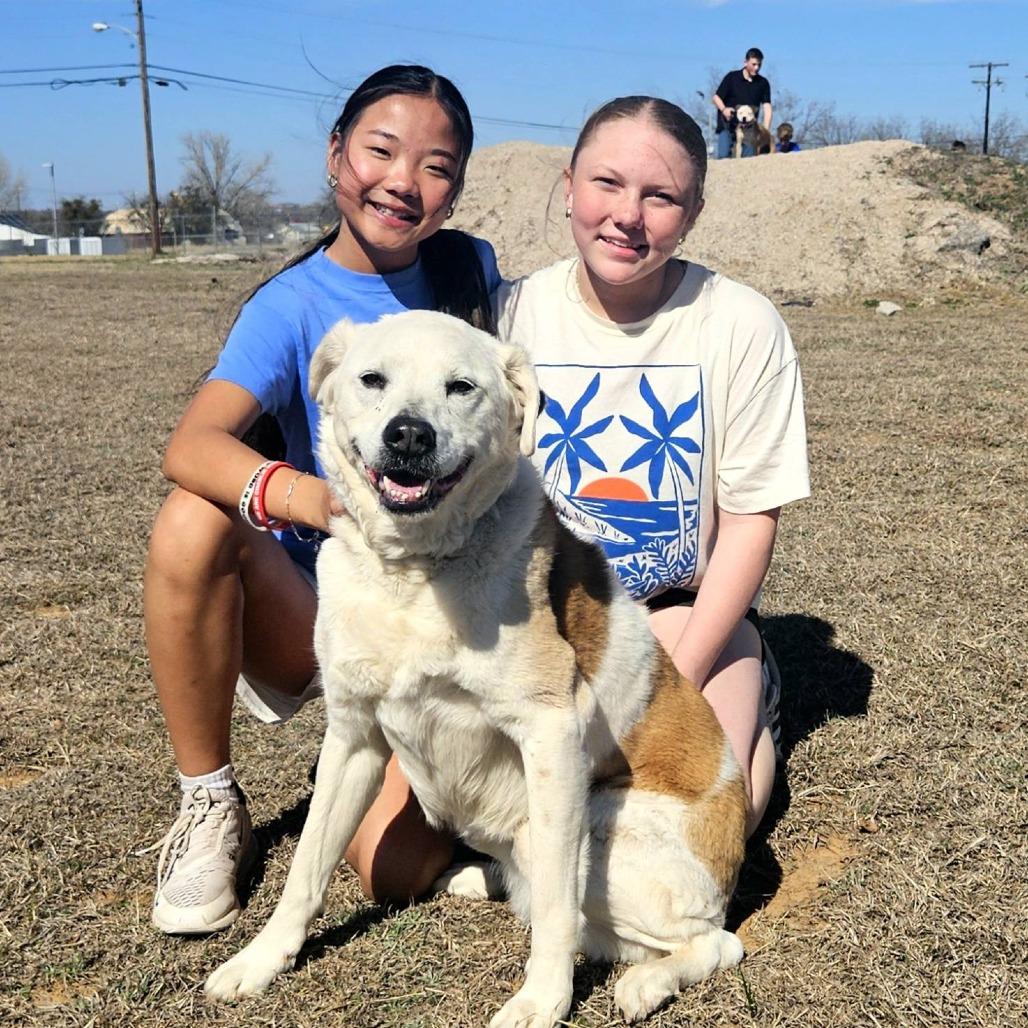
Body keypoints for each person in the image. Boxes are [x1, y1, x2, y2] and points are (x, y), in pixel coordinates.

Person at [143, 64, 501, 935]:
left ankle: (423, 757)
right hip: (327, 608)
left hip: (449, 608)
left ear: (455, 191)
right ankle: (208, 801)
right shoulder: (291, 303)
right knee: (193, 518)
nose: (403, 182)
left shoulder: (472, 273)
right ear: (337, 155)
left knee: (398, 871)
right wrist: (313, 501)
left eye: (436, 166)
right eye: (381, 150)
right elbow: (191, 446)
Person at [496, 96, 809, 837]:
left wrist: (676, 684)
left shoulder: (741, 324)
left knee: (702, 831)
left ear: (693, 210)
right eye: (606, 183)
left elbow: (748, 523)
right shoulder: (511, 315)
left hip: (676, 616)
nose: (627, 215)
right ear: (569, 185)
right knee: (514, 824)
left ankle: (750, 687)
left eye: (660, 196)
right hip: (540, 622)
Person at [712, 47, 773, 159]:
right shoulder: (732, 78)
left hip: (749, 128)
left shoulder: (763, 83)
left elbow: (767, 107)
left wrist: (765, 130)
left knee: (749, 159)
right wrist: (724, 109)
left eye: (759, 65)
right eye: (754, 64)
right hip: (728, 125)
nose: (757, 68)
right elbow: (716, 97)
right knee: (723, 156)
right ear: (745, 62)